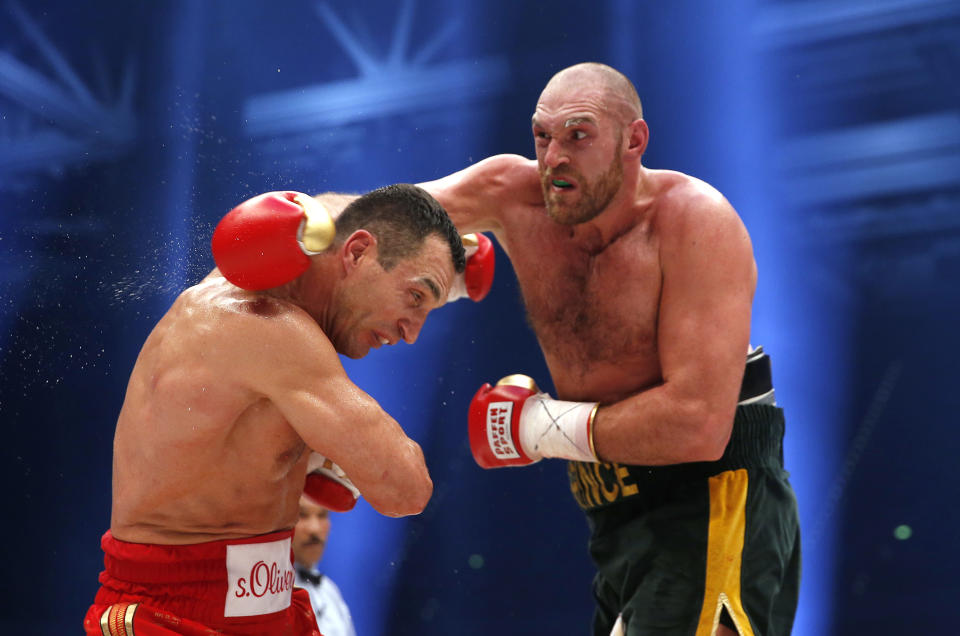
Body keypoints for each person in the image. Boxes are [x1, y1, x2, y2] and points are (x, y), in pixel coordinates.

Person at [420, 63, 801, 636]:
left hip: (714, 498)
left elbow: (698, 426)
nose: (553, 157)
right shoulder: (509, 193)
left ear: (634, 140)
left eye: (578, 134)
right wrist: (302, 227)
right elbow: (380, 222)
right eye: (543, 137)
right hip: (613, 517)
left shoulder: (694, 220)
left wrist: (535, 429)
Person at [84, 184, 469, 635]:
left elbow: (350, 210)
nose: (412, 332)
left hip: (271, 605)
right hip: (173, 612)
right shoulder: (265, 326)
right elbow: (405, 489)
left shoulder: (285, 302)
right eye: (416, 297)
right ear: (358, 252)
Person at [292, 495, 357, 636]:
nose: (314, 529)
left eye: (322, 515)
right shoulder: (270, 592)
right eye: (302, 515)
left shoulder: (330, 591)